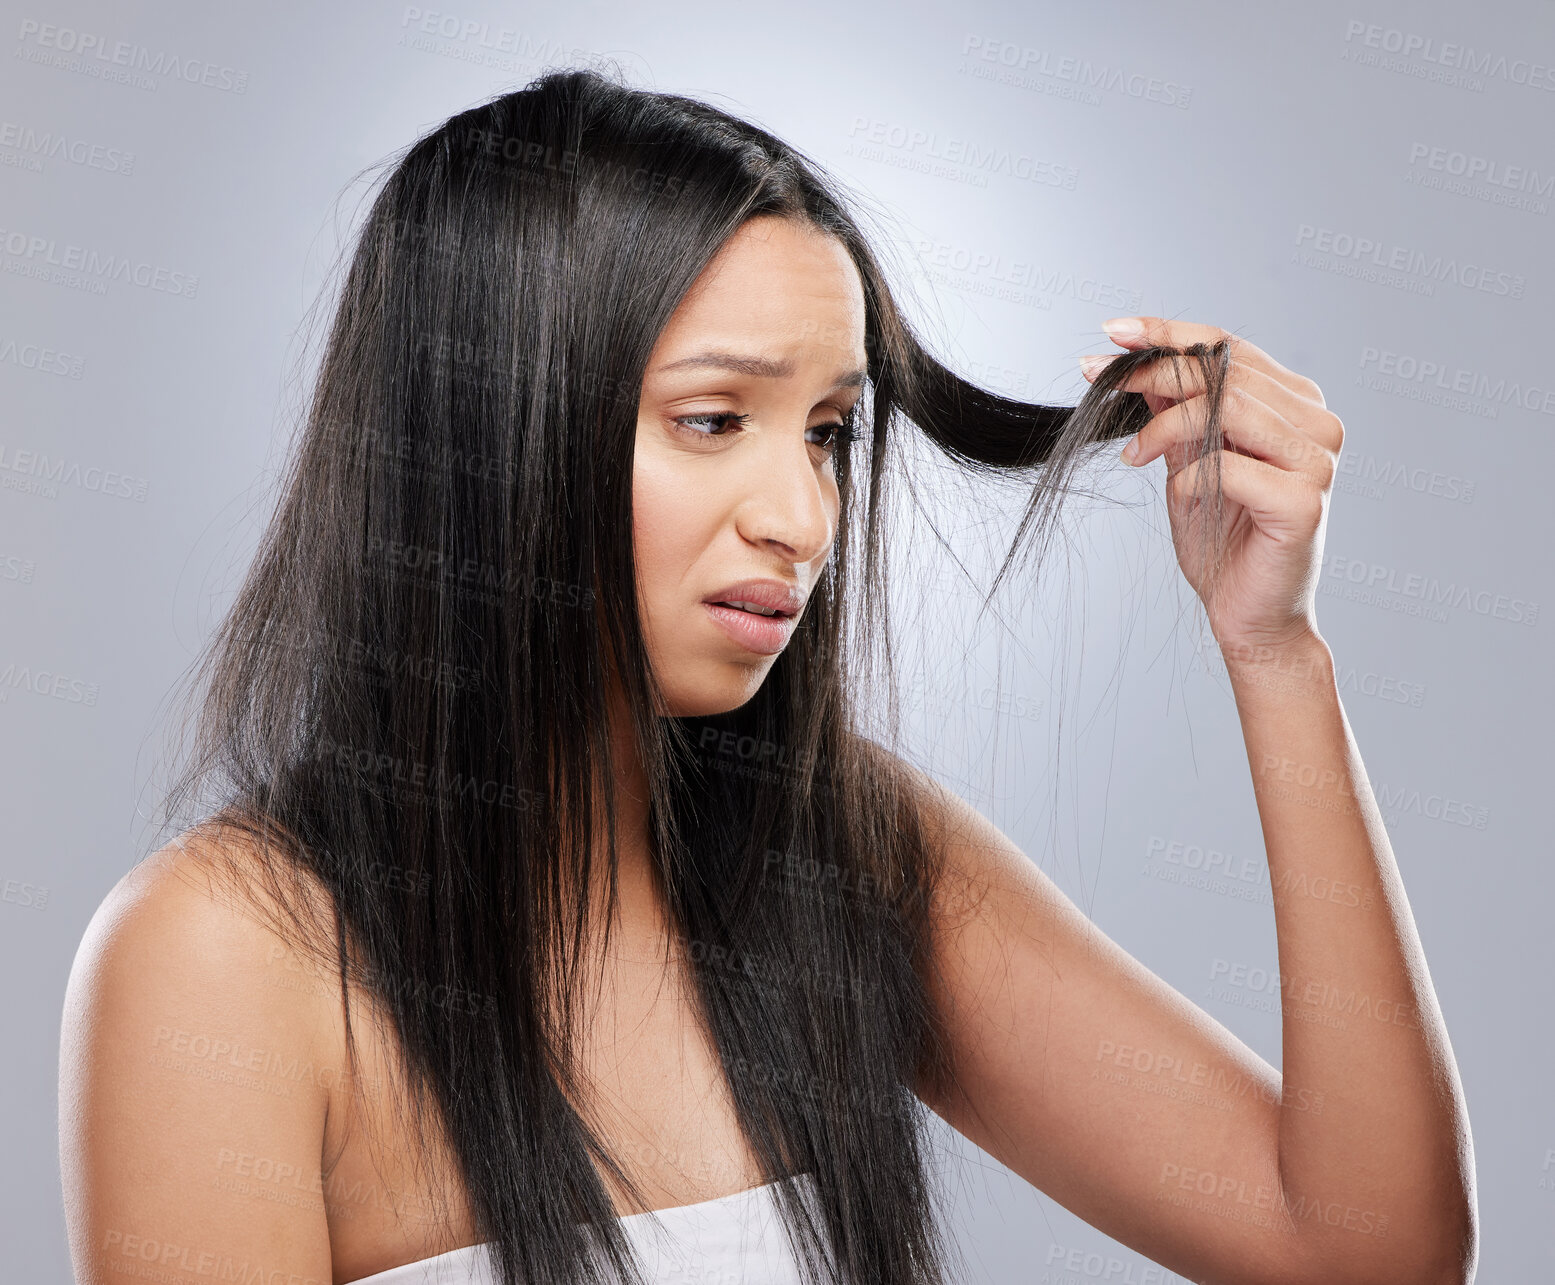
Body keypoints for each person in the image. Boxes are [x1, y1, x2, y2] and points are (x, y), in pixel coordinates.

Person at [59, 67, 1476, 1285]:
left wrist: (1273, 651)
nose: (801, 516)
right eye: (713, 417)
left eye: (828, 434)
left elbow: (1363, 1246)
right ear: (489, 426)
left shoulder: (844, 855)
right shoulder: (225, 956)